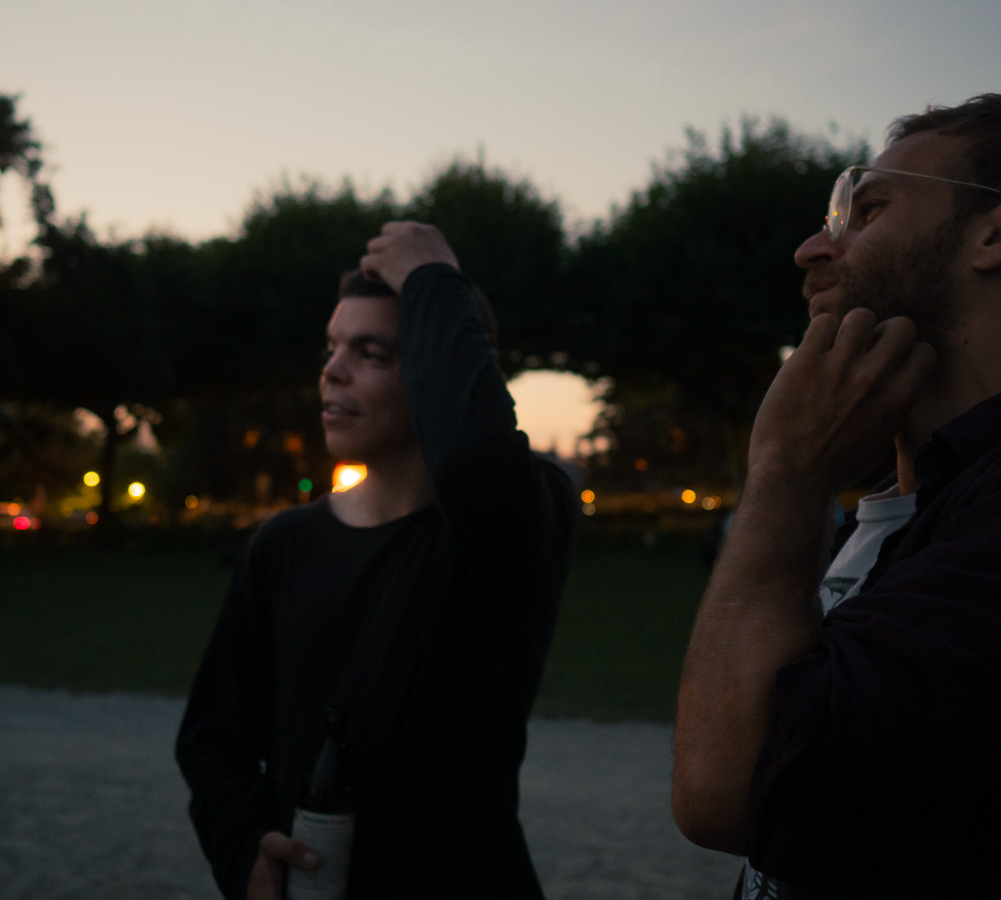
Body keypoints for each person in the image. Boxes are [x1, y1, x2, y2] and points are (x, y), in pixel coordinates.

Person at [176, 222, 578, 899]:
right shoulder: (282, 544)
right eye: (332, 347)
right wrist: (244, 847)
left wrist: (432, 277)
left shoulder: (508, 533)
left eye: (371, 353)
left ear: (435, 369)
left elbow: (474, 459)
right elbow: (214, 737)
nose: (331, 371)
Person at [671, 93, 1001, 898]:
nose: (811, 248)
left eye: (869, 210)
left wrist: (785, 475)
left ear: (993, 234)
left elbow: (732, 791)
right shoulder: (885, 516)